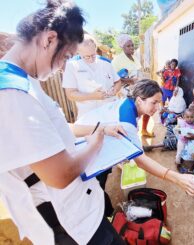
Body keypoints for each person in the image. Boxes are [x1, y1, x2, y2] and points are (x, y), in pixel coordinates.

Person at [0, 1, 127, 244]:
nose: (62, 68)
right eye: (66, 56)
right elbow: (61, 174)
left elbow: (55, 128)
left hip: (77, 208)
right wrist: (95, 143)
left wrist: (99, 129)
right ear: (48, 39)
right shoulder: (13, 93)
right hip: (65, 220)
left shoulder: (24, 80)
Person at [76, 80, 194, 197]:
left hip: (91, 140)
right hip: (82, 148)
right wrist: (178, 178)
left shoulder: (130, 104)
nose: (158, 108)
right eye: (154, 102)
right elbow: (140, 161)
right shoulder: (127, 121)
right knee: (95, 185)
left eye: (159, 102)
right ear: (139, 100)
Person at [62, 34, 122, 119]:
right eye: (86, 57)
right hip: (88, 116)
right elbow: (70, 94)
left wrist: (114, 90)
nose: (91, 59)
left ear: (95, 49)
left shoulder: (106, 64)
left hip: (110, 113)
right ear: (78, 52)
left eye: (93, 55)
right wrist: (92, 96)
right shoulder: (71, 67)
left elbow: (118, 82)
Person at [112, 34, 154, 137]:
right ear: (122, 47)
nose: (131, 48)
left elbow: (138, 72)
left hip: (137, 88)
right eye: (128, 46)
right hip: (125, 91)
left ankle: (144, 129)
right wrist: (130, 80)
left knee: (146, 107)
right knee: (131, 111)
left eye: (132, 45)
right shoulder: (117, 60)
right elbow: (113, 77)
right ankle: (131, 134)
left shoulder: (134, 58)